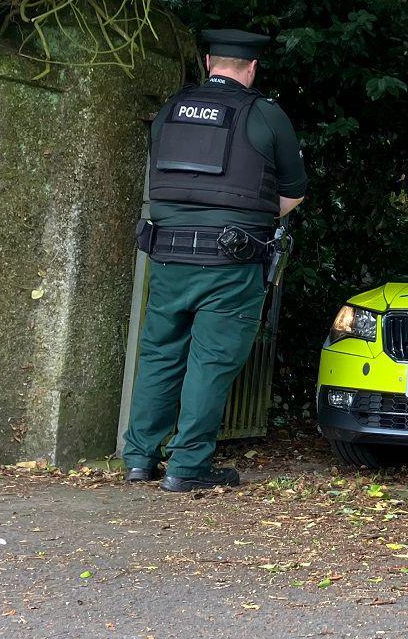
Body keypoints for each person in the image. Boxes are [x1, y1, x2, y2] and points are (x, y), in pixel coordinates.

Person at [122, 29, 307, 492]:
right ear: (252, 68)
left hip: (167, 255)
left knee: (160, 355)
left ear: (208, 61)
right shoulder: (264, 115)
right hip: (230, 261)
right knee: (211, 361)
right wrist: (248, 224)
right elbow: (292, 192)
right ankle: (188, 467)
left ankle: (139, 459)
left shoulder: (170, 110)